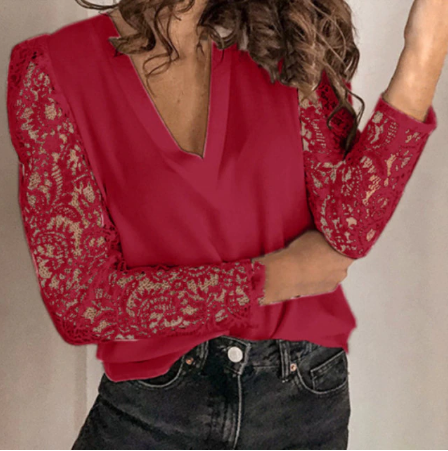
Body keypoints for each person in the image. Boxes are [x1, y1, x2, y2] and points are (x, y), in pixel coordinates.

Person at [6, 0, 445, 448]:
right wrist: (269, 279)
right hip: (151, 410)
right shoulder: (53, 71)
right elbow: (83, 303)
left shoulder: (283, 42)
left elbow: (347, 228)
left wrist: (424, 52)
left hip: (298, 401)